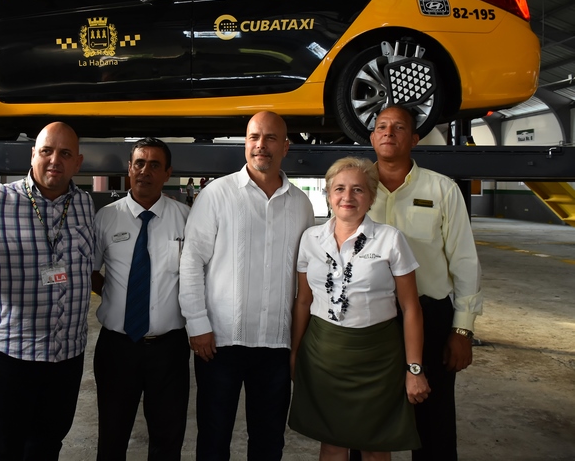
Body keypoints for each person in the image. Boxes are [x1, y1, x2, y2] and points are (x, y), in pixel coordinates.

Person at [0, 122, 96, 461]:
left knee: (47, 446)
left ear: (78, 163)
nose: (54, 160)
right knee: (1, 450)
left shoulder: (85, 206)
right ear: (33, 155)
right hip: (12, 360)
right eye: (46, 151)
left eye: (65, 153)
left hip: (66, 360)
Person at [179, 111, 315, 461]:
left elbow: (306, 278)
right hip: (219, 342)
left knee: (269, 442)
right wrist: (197, 324)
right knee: (213, 438)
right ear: (245, 143)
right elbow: (191, 261)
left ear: (285, 146)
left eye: (270, 138)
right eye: (254, 137)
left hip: (275, 345)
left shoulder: (301, 205)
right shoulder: (216, 195)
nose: (261, 145)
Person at [288, 157, 430, 460]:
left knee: (376, 446)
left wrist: (414, 369)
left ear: (372, 197)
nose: (347, 197)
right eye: (339, 188)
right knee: (332, 444)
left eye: (358, 190)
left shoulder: (391, 240)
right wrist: (295, 353)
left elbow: (411, 307)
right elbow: (303, 301)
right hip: (323, 356)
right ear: (328, 194)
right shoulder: (310, 239)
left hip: (377, 359)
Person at [363, 105, 483, 461]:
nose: (388, 132)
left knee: (434, 421)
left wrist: (462, 330)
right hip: (370, 321)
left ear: (414, 139)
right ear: (371, 138)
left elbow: (464, 261)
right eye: (381, 126)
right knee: (365, 419)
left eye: (398, 127)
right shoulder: (356, 188)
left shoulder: (442, 189)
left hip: (429, 316)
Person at [92, 137, 191, 461]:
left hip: (169, 350)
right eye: (139, 163)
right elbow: (90, 270)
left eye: (154, 165)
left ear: (168, 173)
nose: (145, 171)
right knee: (112, 434)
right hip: (117, 348)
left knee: (168, 437)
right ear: (129, 169)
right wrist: (116, 293)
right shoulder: (106, 218)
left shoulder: (186, 218)